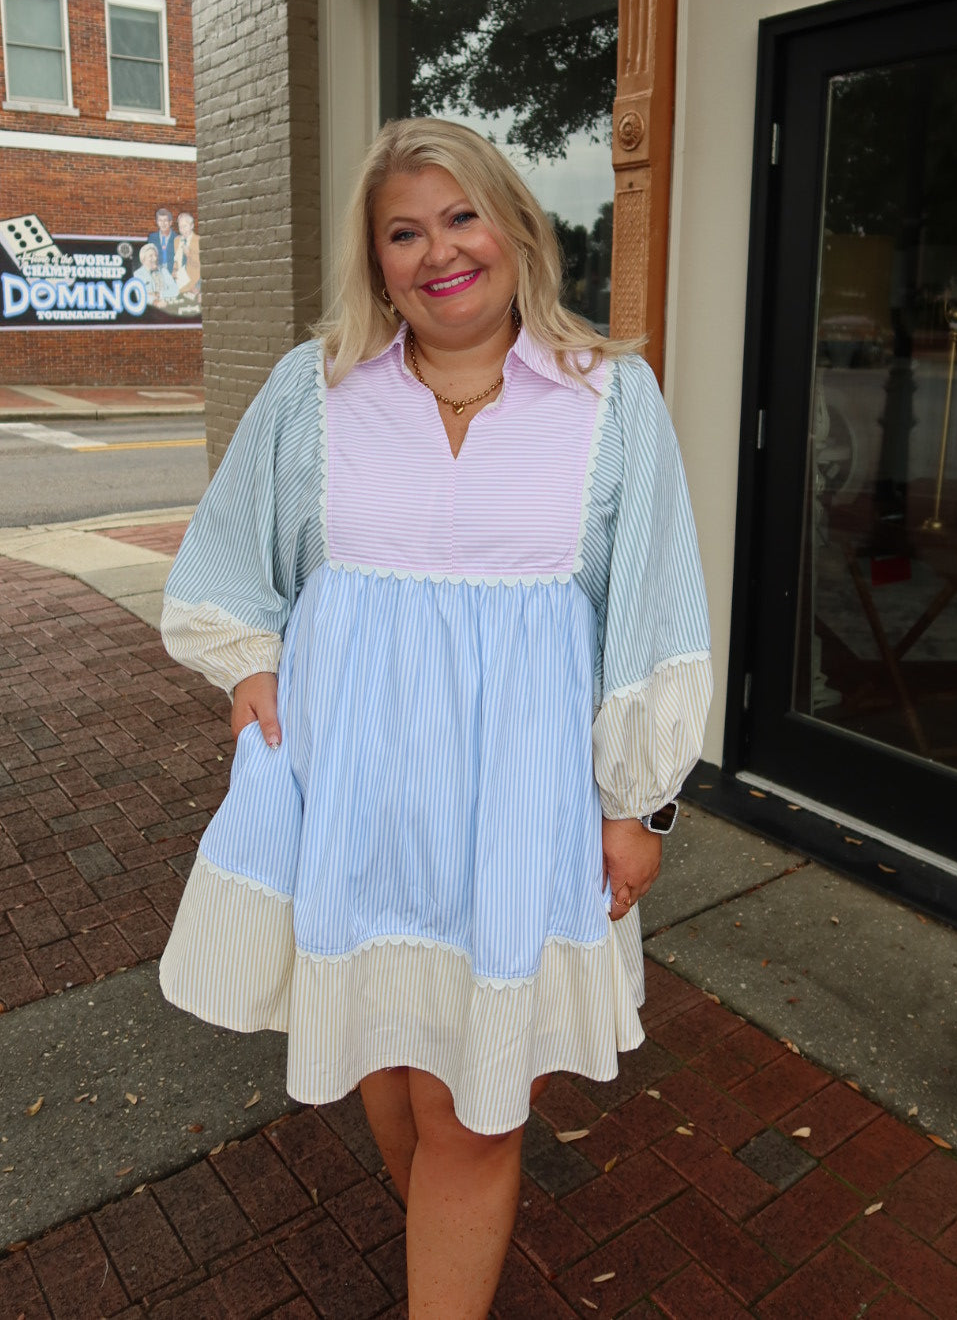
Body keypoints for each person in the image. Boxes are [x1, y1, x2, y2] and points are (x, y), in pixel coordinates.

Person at [158, 118, 711, 1318]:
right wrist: (250, 663)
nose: (437, 251)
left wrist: (641, 801)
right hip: (356, 798)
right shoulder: (316, 392)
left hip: (515, 810)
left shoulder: (610, 399)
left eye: (460, 216)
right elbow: (230, 561)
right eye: (403, 231)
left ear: (515, 226)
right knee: (392, 1060)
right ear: (375, 258)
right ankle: (444, 1260)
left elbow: (656, 613)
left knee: (472, 1103)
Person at [133, 242, 179, 307]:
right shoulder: (137, 275)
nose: (155, 258)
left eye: (156, 255)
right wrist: (154, 301)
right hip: (150, 309)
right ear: (143, 259)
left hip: (168, 306)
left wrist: (158, 294)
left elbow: (175, 290)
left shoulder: (163, 270)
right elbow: (138, 295)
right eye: (151, 256)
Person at [173, 211, 201, 299]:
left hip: (195, 284)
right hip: (180, 284)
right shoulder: (176, 240)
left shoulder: (199, 240)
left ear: (192, 226)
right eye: (180, 227)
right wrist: (174, 269)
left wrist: (189, 255)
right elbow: (176, 260)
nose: (182, 230)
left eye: (185, 226)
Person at [148, 206, 177, 271]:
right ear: (157, 222)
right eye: (160, 220)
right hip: (157, 274)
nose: (163, 224)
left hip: (173, 275)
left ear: (170, 222)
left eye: (165, 220)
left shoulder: (177, 238)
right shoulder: (152, 238)